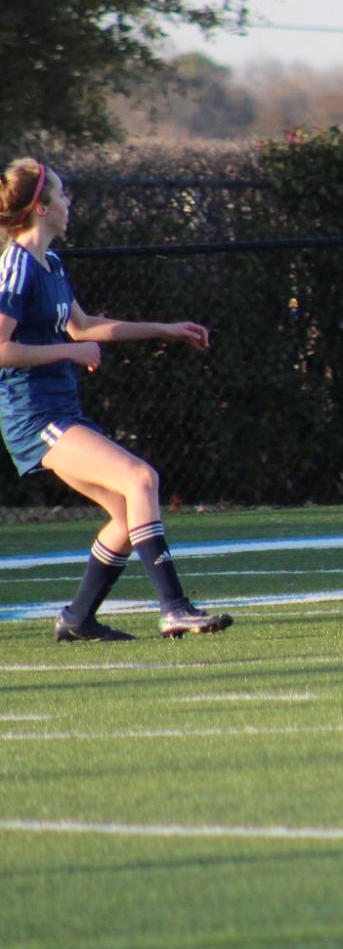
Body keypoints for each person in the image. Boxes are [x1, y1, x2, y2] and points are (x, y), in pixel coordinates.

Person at [0, 159, 232, 641]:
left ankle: (77, 619)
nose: (69, 203)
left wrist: (164, 329)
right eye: (62, 195)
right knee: (140, 476)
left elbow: (83, 326)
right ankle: (174, 608)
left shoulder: (51, 263)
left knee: (129, 510)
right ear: (41, 207)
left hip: (58, 409)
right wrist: (70, 350)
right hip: (32, 414)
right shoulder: (15, 266)